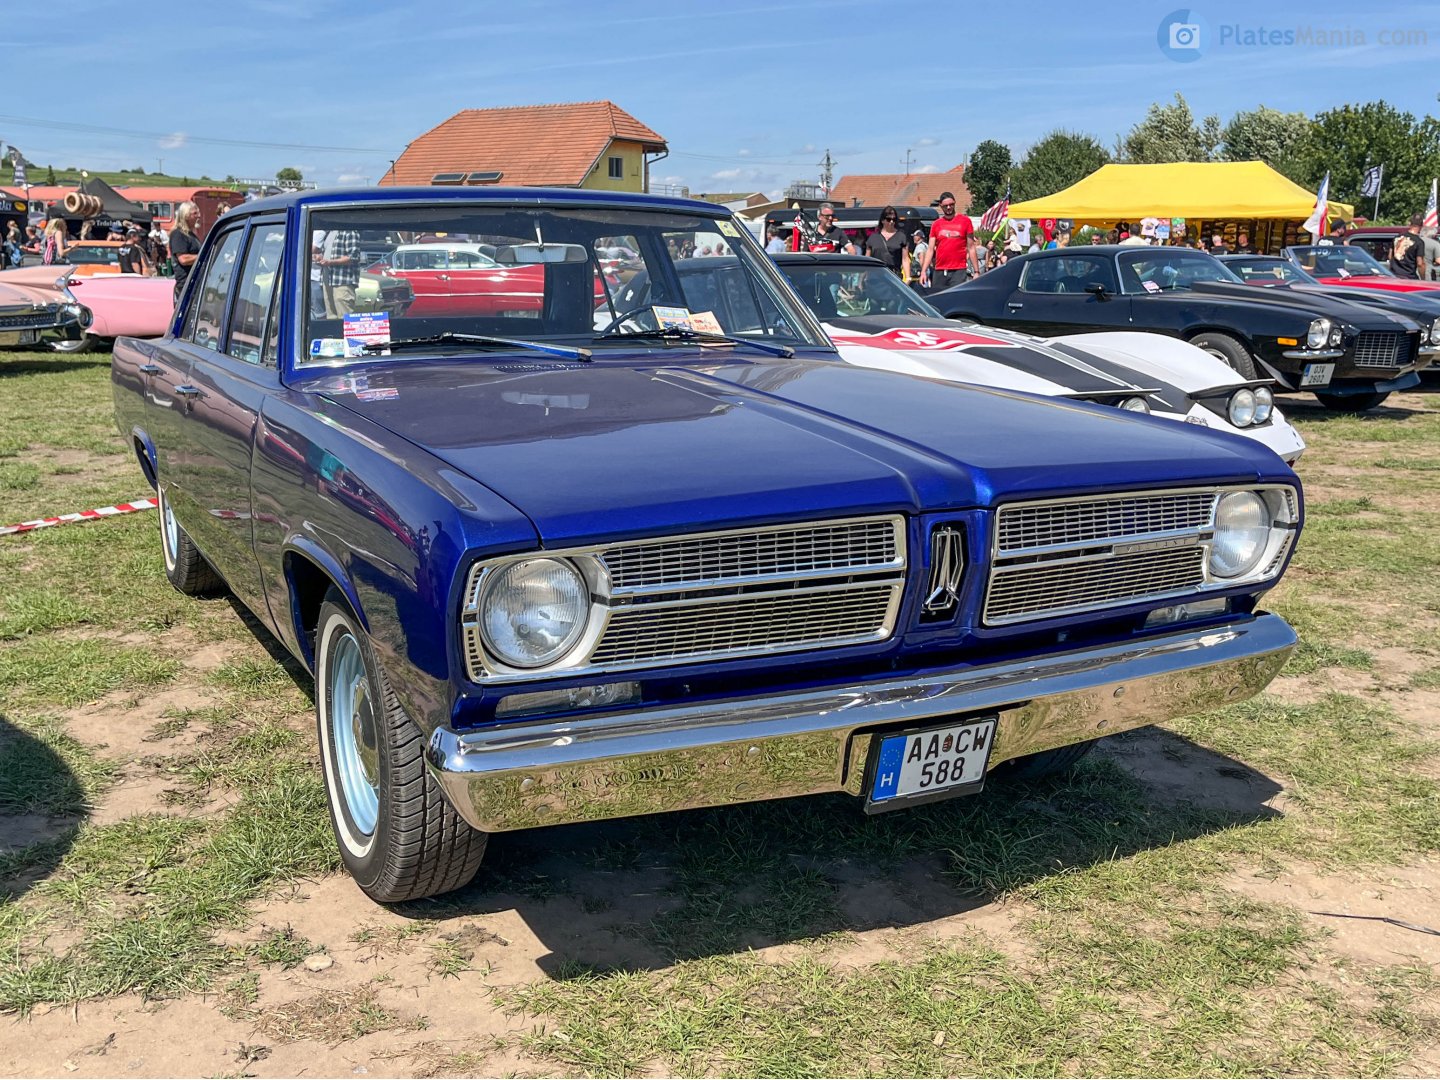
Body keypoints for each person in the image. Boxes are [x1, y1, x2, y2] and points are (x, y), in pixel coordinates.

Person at [919, 192, 971, 292]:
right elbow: (930, 249)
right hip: (940, 269)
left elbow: (971, 247)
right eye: (945, 206)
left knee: (956, 297)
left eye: (951, 205)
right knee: (938, 298)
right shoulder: (936, 224)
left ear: (955, 203)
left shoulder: (965, 221)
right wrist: (923, 271)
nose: (948, 208)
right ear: (941, 207)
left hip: (959, 269)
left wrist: (976, 271)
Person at [315, 226, 362, 317]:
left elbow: (353, 257)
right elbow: (328, 253)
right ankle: (333, 332)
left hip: (343, 281)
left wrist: (330, 262)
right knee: (331, 316)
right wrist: (320, 257)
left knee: (345, 317)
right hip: (327, 279)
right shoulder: (330, 232)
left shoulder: (350, 231)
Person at [863, 205, 911, 279]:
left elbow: (905, 259)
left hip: (894, 276)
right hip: (875, 277)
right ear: (883, 221)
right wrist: (862, 278)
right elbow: (867, 259)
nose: (891, 222)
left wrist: (908, 277)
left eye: (894, 219)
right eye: (888, 219)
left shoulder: (901, 237)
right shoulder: (873, 238)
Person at [170, 201, 204, 299]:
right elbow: (183, 259)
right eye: (195, 213)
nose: (199, 216)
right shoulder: (178, 234)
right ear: (186, 216)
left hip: (195, 282)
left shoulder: (191, 235)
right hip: (186, 284)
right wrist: (204, 256)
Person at [1389, 214, 1427, 279]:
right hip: (1409, 277)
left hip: (1393, 276)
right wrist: (1423, 278)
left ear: (1410, 224)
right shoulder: (1419, 242)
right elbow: (1420, 263)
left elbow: (1390, 256)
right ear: (1421, 226)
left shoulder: (1397, 238)